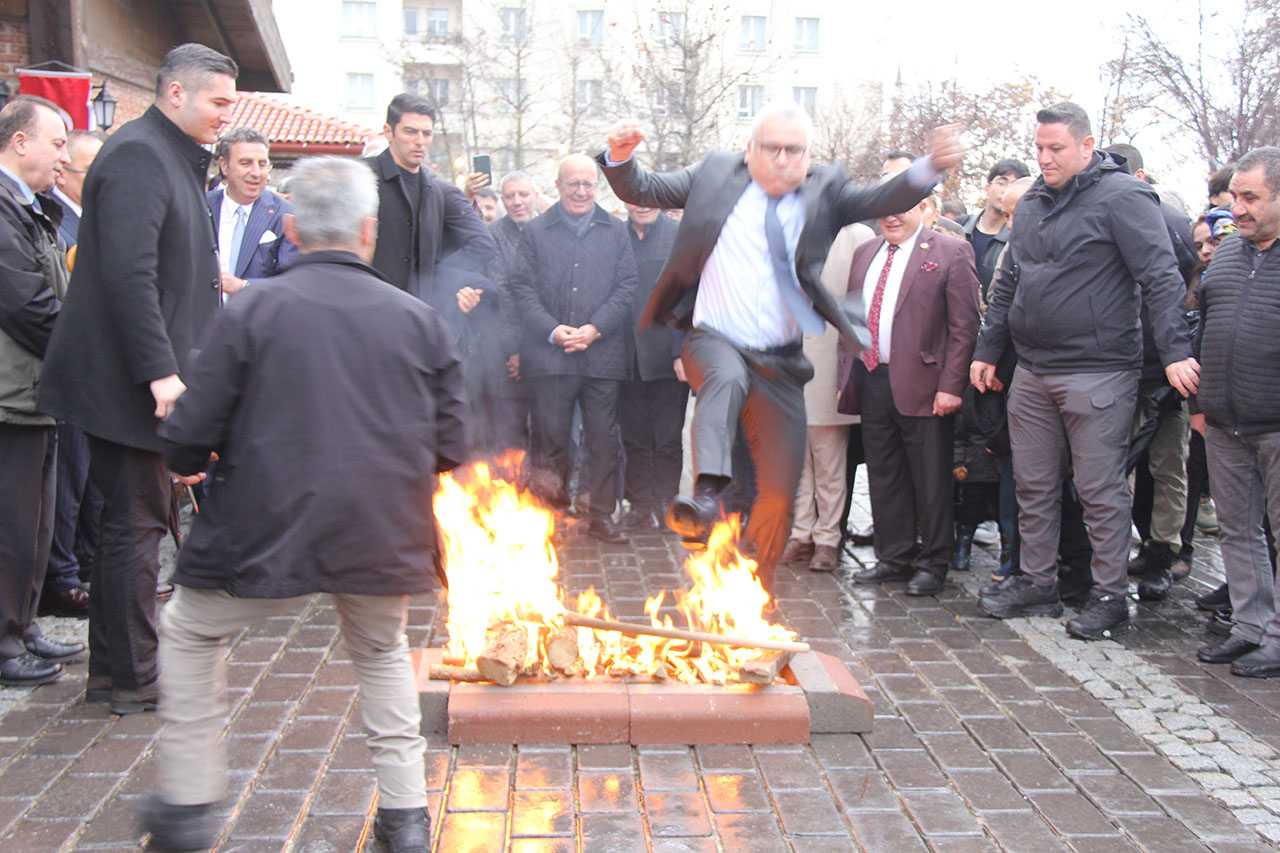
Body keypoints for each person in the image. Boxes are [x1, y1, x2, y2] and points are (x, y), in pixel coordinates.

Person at [141, 156, 464, 852]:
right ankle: (405, 819)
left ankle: (190, 805)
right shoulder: (419, 321)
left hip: (264, 529)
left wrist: (188, 462)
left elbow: (193, 430)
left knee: (192, 630)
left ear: (290, 227)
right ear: (370, 231)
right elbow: (454, 443)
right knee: (381, 653)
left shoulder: (253, 308)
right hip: (381, 531)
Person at [597, 102, 963, 591]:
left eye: (795, 151)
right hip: (713, 338)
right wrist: (620, 156)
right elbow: (644, 187)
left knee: (778, 490)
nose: (784, 160)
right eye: (772, 149)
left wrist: (931, 165)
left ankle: (760, 591)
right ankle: (707, 494)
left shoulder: (825, 189)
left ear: (809, 155)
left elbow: (882, 197)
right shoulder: (712, 174)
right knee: (724, 379)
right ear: (749, 151)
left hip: (780, 359)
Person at [37, 43, 238, 714]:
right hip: (131, 383)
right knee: (137, 527)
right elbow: (129, 276)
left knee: (134, 525)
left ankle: (114, 672)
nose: (226, 115)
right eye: (217, 101)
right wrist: (162, 374)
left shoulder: (169, 156)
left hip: (147, 379)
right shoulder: (137, 158)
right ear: (176, 93)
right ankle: (133, 676)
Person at [971, 102, 1199, 640]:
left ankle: (1109, 595)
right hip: (1034, 369)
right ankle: (1038, 582)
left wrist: (1174, 352)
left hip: (1099, 371)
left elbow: (1162, 276)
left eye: (1056, 149)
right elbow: (1008, 285)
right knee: (1034, 485)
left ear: (1086, 146)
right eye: (1039, 149)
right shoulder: (1029, 205)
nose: (1045, 159)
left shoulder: (1123, 197)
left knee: (1100, 490)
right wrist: (987, 348)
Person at [840, 192, 980, 595]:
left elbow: (964, 327)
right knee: (884, 476)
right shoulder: (866, 251)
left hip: (926, 386)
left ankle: (933, 563)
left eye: (902, 206)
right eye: (884, 205)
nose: (891, 215)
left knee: (930, 479)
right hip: (871, 380)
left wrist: (951, 386)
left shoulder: (952, 251)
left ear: (923, 209)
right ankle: (894, 558)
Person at [507, 153, 638, 543]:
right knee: (552, 439)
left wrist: (595, 328)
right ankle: (553, 513)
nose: (581, 191)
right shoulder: (535, 232)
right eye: (573, 183)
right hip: (551, 357)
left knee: (603, 439)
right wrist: (552, 330)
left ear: (595, 187)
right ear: (559, 186)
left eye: (588, 184)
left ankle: (600, 515)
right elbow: (521, 288)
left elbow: (627, 286)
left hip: (602, 355)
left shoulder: (615, 231)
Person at [0, 95, 84, 685]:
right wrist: (88, 351)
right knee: (11, 525)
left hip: (38, 393)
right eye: (56, 143)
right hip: (12, 397)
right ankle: (4, 642)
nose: (63, 156)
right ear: (19, 141)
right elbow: (29, 305)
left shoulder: (31, 208)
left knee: (36, 525)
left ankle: (23, 625)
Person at [1190, 146, 1280, 677]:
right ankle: (1249, 627)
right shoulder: (1226, 253)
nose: (1238, 209)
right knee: (1237, 530)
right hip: (1224, 421)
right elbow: (1203, 328)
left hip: (1274, 422)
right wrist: (1201, 404)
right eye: (1235, 197)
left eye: (1251, 198)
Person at [1103, 143, 1198, 599]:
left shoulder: (1172, 222)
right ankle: (1117, 551)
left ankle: (1163, 551)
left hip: (1163, 369)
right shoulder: (1097, 210)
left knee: (1166, 463)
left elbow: (1179, 292)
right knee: (1117, 467)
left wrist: (1177, 355)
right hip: (1115, 365)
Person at [783, 221, 873, 572]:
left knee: (830, 461)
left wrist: (851, 367)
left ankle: (827, 539)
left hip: (829, 363)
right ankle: (800, 533)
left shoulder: (856, 236)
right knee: (796, 460)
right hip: (787, 364)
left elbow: (861, 307)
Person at [42, 128, 105, 617]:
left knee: (86, 479)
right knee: (65, 483)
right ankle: (63, 577)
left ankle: (84, 562)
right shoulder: (57, 223)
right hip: (64, 369)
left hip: (95, 370)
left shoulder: (89, 220)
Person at [364, 93, 495, 304]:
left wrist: (441, 278)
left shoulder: (437, 190)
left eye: (426, 134)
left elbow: (482, 244)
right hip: (369, 305)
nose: (419, 142)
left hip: (419, 311)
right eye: (410, 132)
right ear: (389, 131)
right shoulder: (362, 176)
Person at [620, 201, 686, 531]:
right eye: (634, 199)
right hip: (625, 354)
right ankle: (639, 504)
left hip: (666, 355)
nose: (641, 206)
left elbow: (687, 296)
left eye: (648, 199)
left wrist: (680, 352)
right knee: (634, 436)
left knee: (668, 436)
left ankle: (666, 501)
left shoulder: (678, 236)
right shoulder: (617, 236)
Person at [207, 126, 298, 294]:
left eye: (262, 164)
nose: (256, 173)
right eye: (245, 163)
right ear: (224, 166)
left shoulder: (285, 215)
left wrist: (242, 287)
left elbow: (291, 283)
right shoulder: (202, 207)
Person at [961, 159, 1030, 298]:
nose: (1006, 190)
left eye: (1015, 184)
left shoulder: (1019, 241)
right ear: (987, 188)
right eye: (1002, 182)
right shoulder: (961, 227)